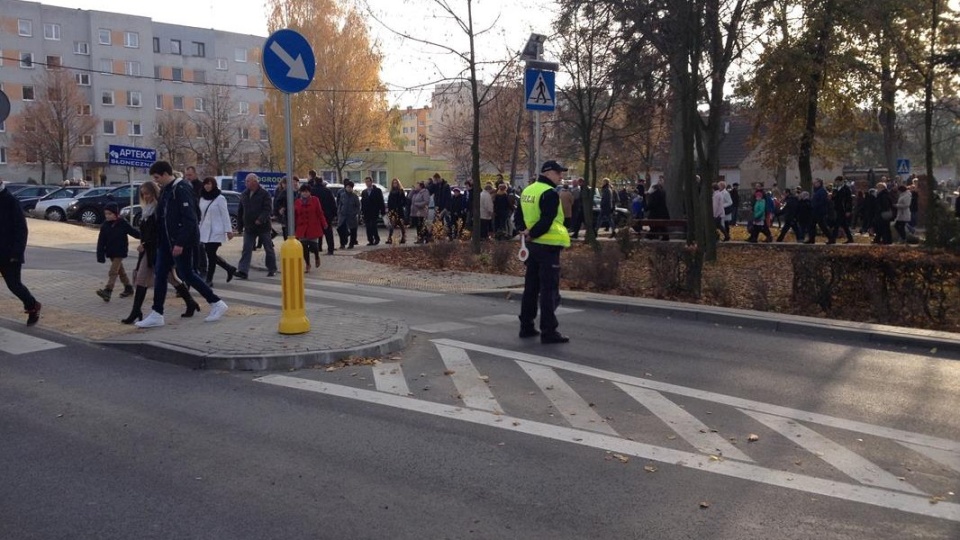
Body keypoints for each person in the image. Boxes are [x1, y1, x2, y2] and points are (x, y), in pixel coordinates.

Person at [136, 161, 228, 328]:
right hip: (165, 242)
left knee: (187, 274)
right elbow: (162, 216)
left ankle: (216, 302)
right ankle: (157, 313)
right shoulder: (167, 190)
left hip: (179, 242)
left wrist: (180, 242)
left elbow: (190, 218)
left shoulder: (181, 188)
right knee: (160, 273)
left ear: (165, 174)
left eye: (157, 177)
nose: (156, 181)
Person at [121, 181, 200, 324]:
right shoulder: (147, 209)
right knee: (143, 278)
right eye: (143, 194)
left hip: (158, 249)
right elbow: (146, 231)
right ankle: (136, 310)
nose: (145, 196)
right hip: (148, 250)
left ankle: (189, 302)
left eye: (148, 193)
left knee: (170, 278)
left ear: (154, 192)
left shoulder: (158, 209)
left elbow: (159, 232)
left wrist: (145, 243)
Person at [516, 160, 571, 344]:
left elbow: (518, 216)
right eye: (558, 173)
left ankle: (526, 326)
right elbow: (547, 220)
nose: (561, 176)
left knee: (530, 288)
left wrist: (524, 231)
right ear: (548, 173)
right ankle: (549, 331)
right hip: (547, 247)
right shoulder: (549, 193)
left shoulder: (528, 190)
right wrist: (532, 233)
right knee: (549, 290)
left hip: (531, 248)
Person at [0, 178, 41, 326]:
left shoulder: (10, 201)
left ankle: (32, 306)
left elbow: (21, 229)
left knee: (14, 285)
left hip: (9, 253)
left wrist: (16, 253)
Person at [235, 173, 277, 279]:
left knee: (268, 248)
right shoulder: (244, 194)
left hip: (263, 227)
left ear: (255, 182)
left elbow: (268, 209)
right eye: (246, 181)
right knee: (246, 248)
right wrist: (239, 226)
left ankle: (272, 268)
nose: (246, 183)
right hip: (249, 227)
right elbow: (241, 211)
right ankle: (243, 271)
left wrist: (260, 219)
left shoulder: (264, 194)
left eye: (247, 181)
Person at [198, 177, 237, 286]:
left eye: (209, 184)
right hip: (204, 231)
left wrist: (229, 230)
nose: (207, 186)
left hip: (216, 231)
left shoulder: (220, 198)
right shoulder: (202, 198)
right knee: (210, 254)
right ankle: (229, 268)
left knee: (210, 255)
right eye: (205, 184)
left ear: (213, 185)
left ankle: (209, 279)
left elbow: (225, 215)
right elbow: (201, 215)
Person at [95, 202, 136, 301]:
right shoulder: (105, 225)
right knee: (121, 271)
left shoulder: (122, 223)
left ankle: (108, 290)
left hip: (120, 251)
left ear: (115, 214)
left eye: (110, 214)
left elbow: (134, 232)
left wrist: (145, 236)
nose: (107, 216)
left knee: (113, 271)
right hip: (111, 251)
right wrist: (100, 254)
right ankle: (128, 287)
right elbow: (101, 241)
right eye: (106, 214)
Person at [294, 184, 328, 272]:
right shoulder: (297, 202)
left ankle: (317, 256)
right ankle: (308, 264)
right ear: (300, 192)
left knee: (314, 246)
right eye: (303, 192)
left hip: (313, 226)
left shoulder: (315, 200)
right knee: (304, 247)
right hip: (302, 228)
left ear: (309, 192)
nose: (305, 194)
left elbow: (320, 213)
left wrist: (324, 223)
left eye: (306, 192)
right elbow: (295, 215)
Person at [309, 173, 337, 256]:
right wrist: (334, 214)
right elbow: (333, 203)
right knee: (328, 233)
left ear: (314, 182)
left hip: (315, 215)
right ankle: (330, 249)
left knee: (315, 232)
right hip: (327, 215)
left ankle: (316, 248)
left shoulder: (312, 191)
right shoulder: (327, 191)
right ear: (322, 182)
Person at [807, 178, 836, 244]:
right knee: (812, 225)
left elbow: (822, 202)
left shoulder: (822, 191)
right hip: (815, 211)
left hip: (820, 211)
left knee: (823, 226)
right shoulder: (817, 191)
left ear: (819, 183)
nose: (813, 184)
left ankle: (831, 238)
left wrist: (815, 206)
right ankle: (811, 239)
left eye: (815, 183)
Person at [360, 177, 385, 245]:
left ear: (371, 182)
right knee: (368, 226)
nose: (367, 183)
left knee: (373, 225)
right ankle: (370, 240)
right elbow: (363, 202)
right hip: (366, 212)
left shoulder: (377, 190)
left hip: (374, 211)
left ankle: (376, 239)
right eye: (366, 182)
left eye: (368, 181)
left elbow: (381, 201)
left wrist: (382, 211)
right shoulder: (364, 192)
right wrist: (362, 211)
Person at [336, 180, 361, 249]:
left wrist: (355, 213)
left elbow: (358, 206)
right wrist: (339, 212)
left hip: (352, 216)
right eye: (347, 187)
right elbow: (340, 204)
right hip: (343, 216)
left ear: (352, 188)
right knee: (341, 229)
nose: (348, 188)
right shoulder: (342, 195)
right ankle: (342, 243)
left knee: (353, 230)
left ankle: (351, 243)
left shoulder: (355, 196)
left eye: (350, 187)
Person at [831, 176, 855, 243]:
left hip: (843, 209)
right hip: (838, 209)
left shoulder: (846, 189)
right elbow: (835, 199)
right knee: (844, 225)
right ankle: (850, 239)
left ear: (841, 181)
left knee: (836, 225)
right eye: (836, 182)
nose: (837, 183)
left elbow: (849, 201)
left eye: (838, 182)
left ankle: (833, 239)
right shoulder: (836, 189)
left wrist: (848, 210)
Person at [385, 178, 407, 244]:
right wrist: (389, 209)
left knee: (401, 225)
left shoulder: (401, 191)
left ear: (398, 183)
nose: (395, 184)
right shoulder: (391, 191)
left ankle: (403, 238)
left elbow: (404, 201)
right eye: (393, 183)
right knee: (391, 225)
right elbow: (389, 201)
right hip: (392, 211)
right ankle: (390, 238)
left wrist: (400, 205)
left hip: (399, 210)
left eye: (396, 183)